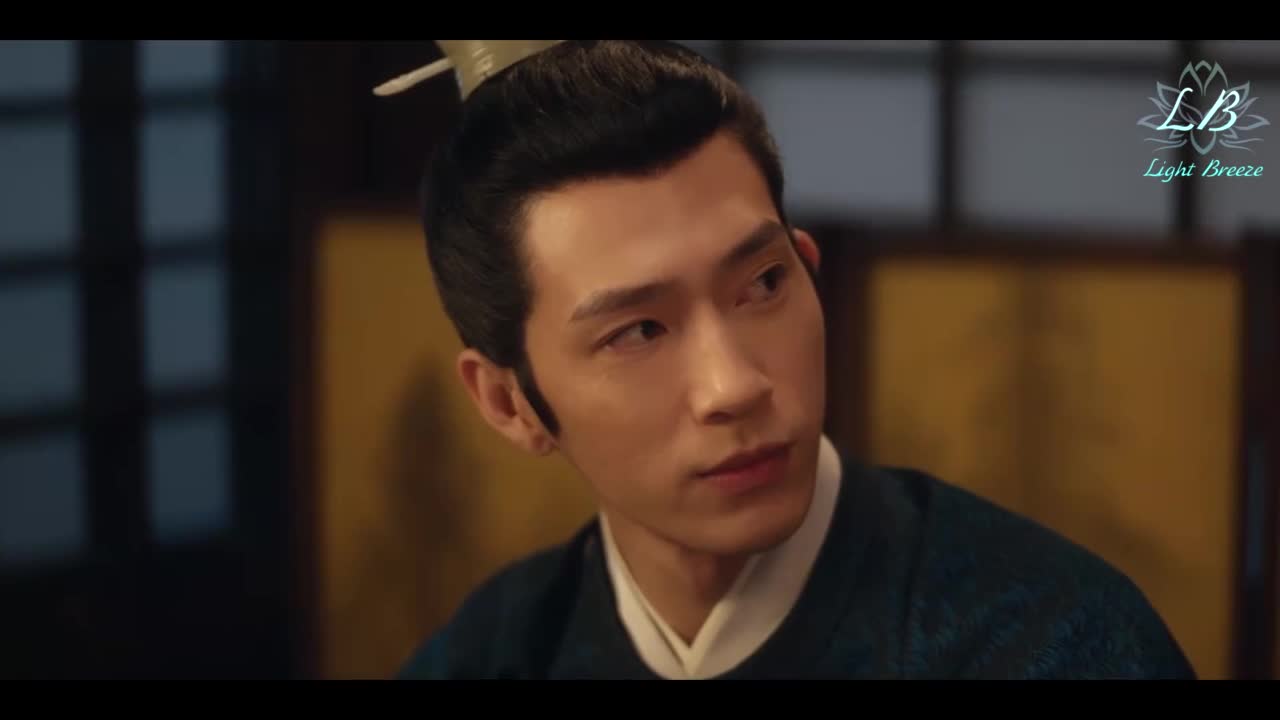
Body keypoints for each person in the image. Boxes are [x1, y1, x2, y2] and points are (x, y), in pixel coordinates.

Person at [380, 40, 1197, 680]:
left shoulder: (1055, 640)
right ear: (509, 403)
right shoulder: (487, 657)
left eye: (763, 284)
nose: (734, 385)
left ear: (808, 266)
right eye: (638, 332)